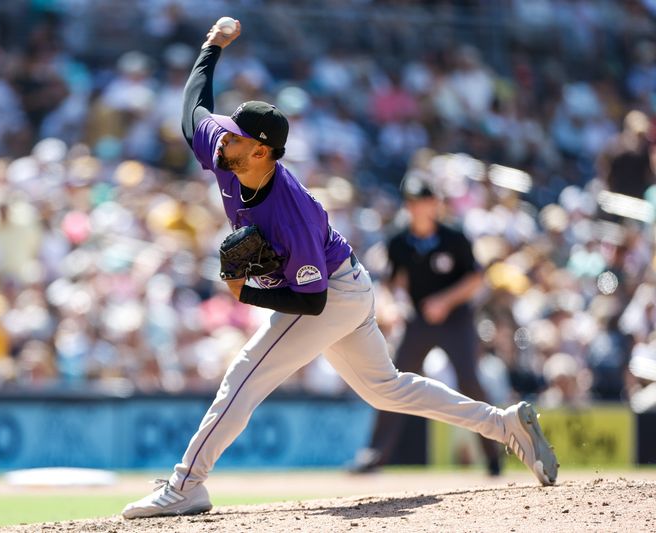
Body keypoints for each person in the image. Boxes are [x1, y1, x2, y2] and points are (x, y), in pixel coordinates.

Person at [122, 19, 558, 519]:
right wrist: (210, 48)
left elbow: (313, 302)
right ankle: (506, 426)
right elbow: (191, 110)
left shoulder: (291, 213)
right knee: (386, 388)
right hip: (346, 283)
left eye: (236, 138)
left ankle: (186, 485)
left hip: (331, 292)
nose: (223, 140)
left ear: (261, 150)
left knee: (245, 374)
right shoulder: (226, 152)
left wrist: (244, 293)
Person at [348, 171, 501, 475]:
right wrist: (392, 306)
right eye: (414, 202)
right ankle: (374, 455)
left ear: (435, 204)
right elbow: (393, 283)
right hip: (420, 319)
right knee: (392, 381)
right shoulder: (399, 241)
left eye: (425, 201)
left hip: (456, 319)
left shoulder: (453, 236)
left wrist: (445, 301)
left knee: (470, 381)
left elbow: (476, 278)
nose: (420, 208)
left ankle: (493, 455)